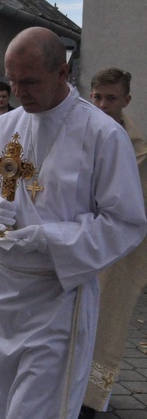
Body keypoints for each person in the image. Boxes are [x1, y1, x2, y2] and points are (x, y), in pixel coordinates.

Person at [0, 27, 147, 419]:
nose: (18, 93)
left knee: (35, 409)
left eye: (29, 82)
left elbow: (126, 222)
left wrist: (52, 239)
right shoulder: (3, 127)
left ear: (62, 73)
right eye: (12, 82)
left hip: (56, 301)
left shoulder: (102, 135)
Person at [81, 67, 147, 417]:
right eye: (97, 97)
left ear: (126, 101)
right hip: (74, 244)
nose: (103, 105)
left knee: (105, 322)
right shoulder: (75, 132)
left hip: (114, 255)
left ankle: (91, 397)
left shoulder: (140, 152)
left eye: (111, 98)